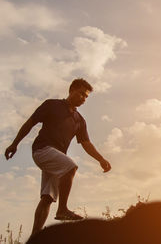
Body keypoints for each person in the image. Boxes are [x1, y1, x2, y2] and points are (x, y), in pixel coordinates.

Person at [4, 78, 112, 236]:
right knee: (71, 167)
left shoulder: (80, 120)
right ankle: (62, 209)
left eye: (86, 97)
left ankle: (36, 236)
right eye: (81, 94)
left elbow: (86, 143)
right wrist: (14, 144)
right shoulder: (52, 105)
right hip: (42, 150)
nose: (83, 98)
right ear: (71, 90)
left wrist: (101, 159)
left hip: (56, 159)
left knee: (47, 197)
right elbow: (30, 123)